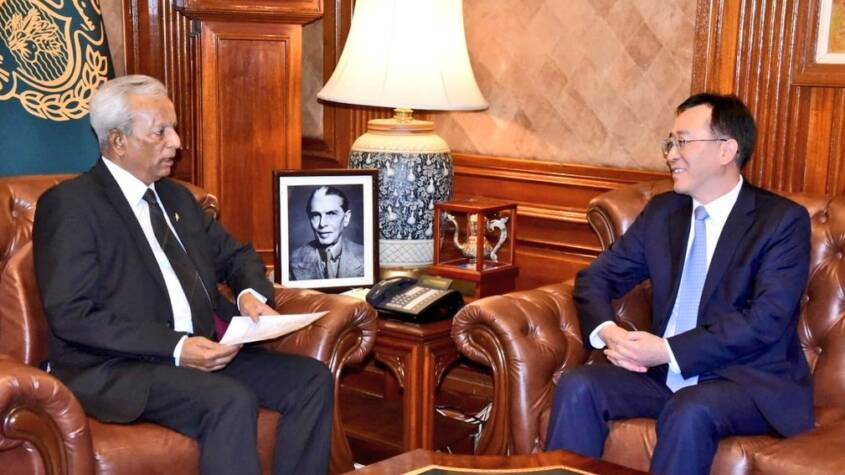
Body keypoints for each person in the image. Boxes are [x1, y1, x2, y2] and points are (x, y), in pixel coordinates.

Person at [32, 75, 333, 475]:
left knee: (311, 379)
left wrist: (250, 294)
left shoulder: (178, 198)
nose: (175, 142)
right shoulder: (71, 205)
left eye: (173, 128)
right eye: (161, 132)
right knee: (229, 400)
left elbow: (237, 256)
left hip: (201, 351)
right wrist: (176, 347)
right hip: (119, 367)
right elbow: (73, 314)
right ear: (118, 141)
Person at [545, 93, 813, 475]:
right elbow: (596, 277)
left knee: (690, 410)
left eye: (683, 142)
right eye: (669, 143)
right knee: (579, 385)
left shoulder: (780, 221)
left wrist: (667, 350)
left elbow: (766, 319)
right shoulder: (664, 212)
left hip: (744, 380)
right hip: (662, 375)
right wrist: (610, 333)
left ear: (726, 150)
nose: (671, 154)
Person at [289, 185, 365, 280]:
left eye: (331, 214)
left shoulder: (365, 256)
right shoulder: (292, 260)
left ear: (346, 218)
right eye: (316, 215)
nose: (322, 224)